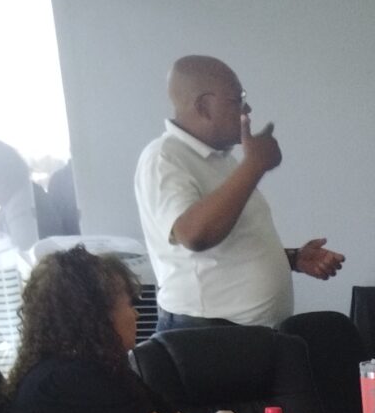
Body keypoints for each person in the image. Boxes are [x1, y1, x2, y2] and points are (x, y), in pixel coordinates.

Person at [0, 245, 277, 413]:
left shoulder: (99, 373)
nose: (136, 314)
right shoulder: (72, 382)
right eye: (129, 304)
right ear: (97, 316)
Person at [133, 56, 343, 331]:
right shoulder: (164, 157)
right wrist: (254, 165)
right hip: (204, 335)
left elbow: (231, 246)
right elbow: (194, 235)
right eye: (237, 100)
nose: (247, 109)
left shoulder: (221, 159)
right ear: (203, 106)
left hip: (242, 334)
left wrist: (293, 258)